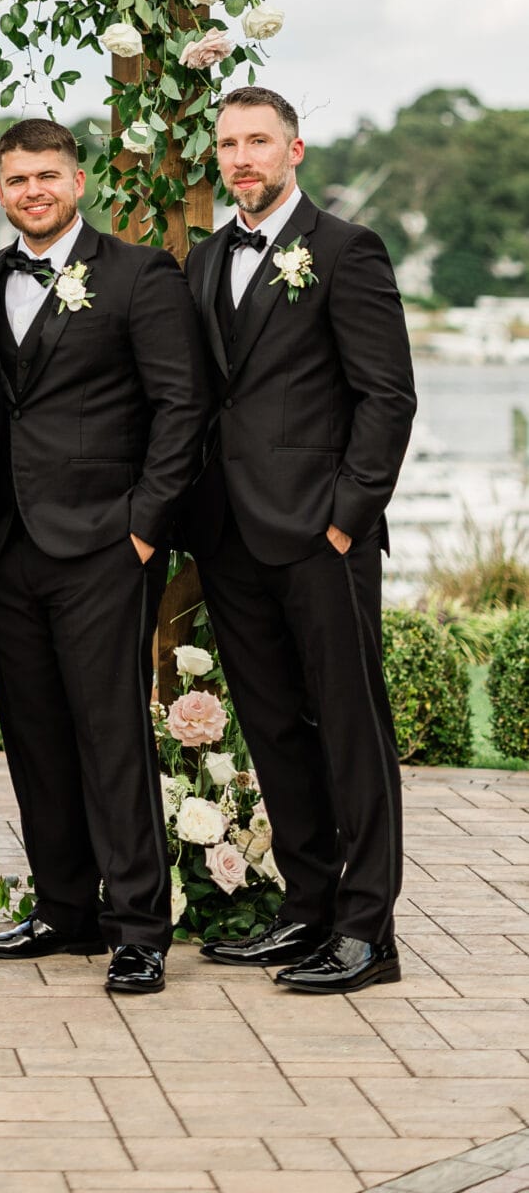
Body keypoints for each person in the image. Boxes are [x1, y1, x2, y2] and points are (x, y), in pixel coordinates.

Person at [181, 85, 417, 995]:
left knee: (351, 730)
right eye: (229, 145)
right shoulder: (204, 260)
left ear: (294, 151)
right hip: (230, 536)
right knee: (274, 727)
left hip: (321, 535)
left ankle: (367, 932)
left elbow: (385, 396)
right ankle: (307, 909)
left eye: (257, 143)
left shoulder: (346, 250)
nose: (241, 158)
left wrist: (345, 519)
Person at [0, 118, 210, 997]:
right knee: (33, 733)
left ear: (77, 183)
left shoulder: (137, 274)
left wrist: (143, 525)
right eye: (15, 180)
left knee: (110, 733)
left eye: (46, 175)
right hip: (3, 548)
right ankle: (64, 906)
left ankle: (139, 922)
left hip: (105, 544)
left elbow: (179, 406)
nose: (31, 191)